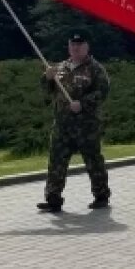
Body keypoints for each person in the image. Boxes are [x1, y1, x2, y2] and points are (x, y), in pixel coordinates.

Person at [37, 31, 111, 213]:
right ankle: (53, 198)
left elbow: (103, 91)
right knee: (56, 161)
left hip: (86, 126)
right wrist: (47, 78)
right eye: (72, 45)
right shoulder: (61, 67)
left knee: (93, 160)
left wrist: (83, 103)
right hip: (62, 125)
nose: (75, 48)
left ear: (87, 47)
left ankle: (101, 195)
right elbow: (49, 91)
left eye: (79, 45)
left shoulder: (95, 68)